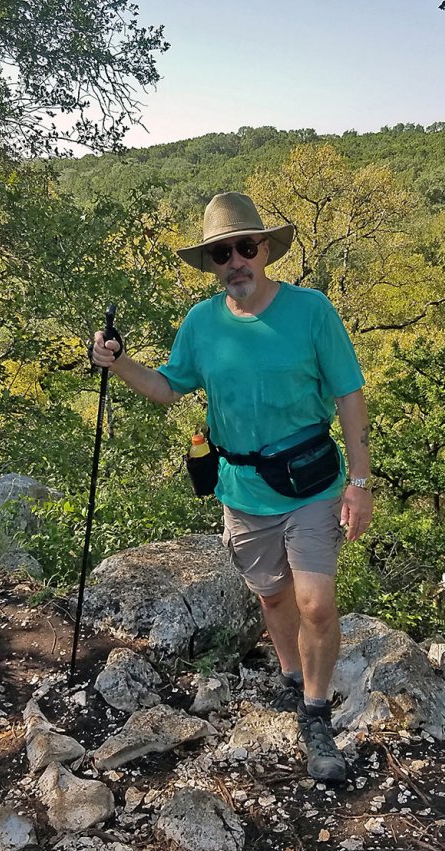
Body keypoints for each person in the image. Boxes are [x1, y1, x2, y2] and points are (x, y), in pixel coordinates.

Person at [91, 191, 373, 782]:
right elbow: (169, 387)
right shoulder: (202, 323)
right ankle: (292, 678)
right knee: (273, 598)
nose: (235, 261)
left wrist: (360, 481)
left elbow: (349, 392)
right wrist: (118, 364)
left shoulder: (311, 311)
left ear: (265, 249)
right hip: (241, 490)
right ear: (212, 262)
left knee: (316, 603)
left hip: (311, 481)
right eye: (223, 252)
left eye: (245, 247)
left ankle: (316, 716)